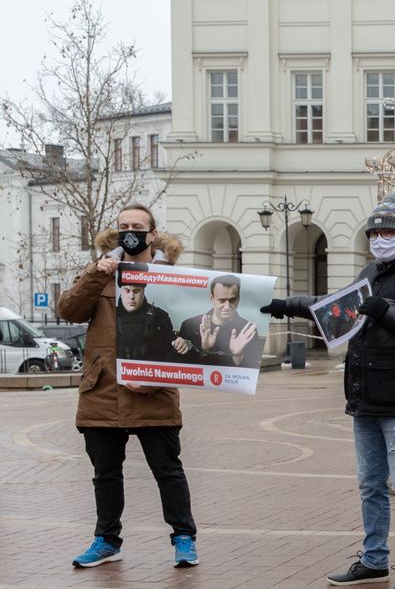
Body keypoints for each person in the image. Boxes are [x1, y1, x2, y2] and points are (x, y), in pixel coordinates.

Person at [262, 193, 395, 589]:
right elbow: (335, 308)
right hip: (364, 396)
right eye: (375, 232)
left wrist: (386, 311)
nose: (380, 239)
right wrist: (287, 306)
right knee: (369, 484)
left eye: (388, 232)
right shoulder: (372, 271)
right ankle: (374, 560)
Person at [59, 204, 200, 569]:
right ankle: (106, 540)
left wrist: (154, 379)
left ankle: (183, 538)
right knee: (105, 474)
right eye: (124, 226)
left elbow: (177, 337)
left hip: (155, 395)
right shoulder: (101, 271)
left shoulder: (171, 277)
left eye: (138, 226)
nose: (130, 231)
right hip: (102, 392)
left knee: (167, 471)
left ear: (153, 233)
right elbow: (69, 310)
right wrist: (96, 272)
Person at [175, 274, 262, 368]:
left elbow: (252, 372)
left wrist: (237, 355)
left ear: (239, 299)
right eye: (222, 300)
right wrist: (204, 350)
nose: (227, 306)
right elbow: (183, 369)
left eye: (232, 300)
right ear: (212, 298)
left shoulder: (248, 331)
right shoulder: (189, 326)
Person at [115, 280, 181, 364]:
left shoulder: (160, 317)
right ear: (121, 291)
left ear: (143, 292)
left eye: (136, 291)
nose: (131, 296)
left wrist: (181, 345)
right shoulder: (109, 316)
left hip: (153, 374)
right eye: (127, 291)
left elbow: (172, 353)